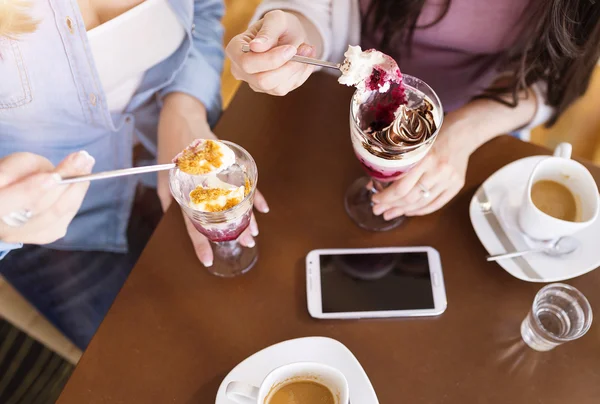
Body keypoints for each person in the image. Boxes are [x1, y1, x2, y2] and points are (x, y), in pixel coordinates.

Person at [0, 0, 268, 349]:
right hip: (60, 235)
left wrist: (184, 104)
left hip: (185, 164)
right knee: (166, 354)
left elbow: (203, 11)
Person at [226, 0, 600, 220]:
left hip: (488, 114)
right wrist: (294, 30)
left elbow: (556, 76)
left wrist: (465, 129)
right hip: (338, 99)